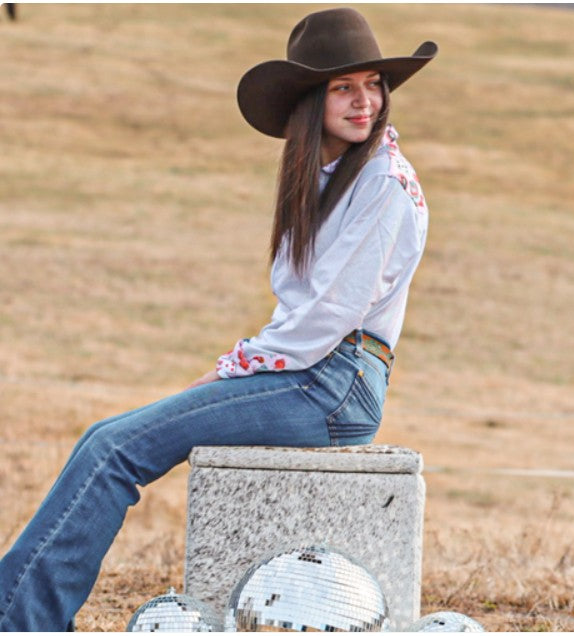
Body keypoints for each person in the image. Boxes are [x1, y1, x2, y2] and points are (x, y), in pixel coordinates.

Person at [0, 7, 437, 631]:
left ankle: (19, 621)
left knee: (113, 449)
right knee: (105, 438)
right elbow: (304, 306)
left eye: (373, 84)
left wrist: (233, 368)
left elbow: (328, 316)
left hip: (333, 382)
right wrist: (241, 367)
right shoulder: (328, 178)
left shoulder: (383, 183)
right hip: (317, 375)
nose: (364, 100)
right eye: (344, 86)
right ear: (312, 101)